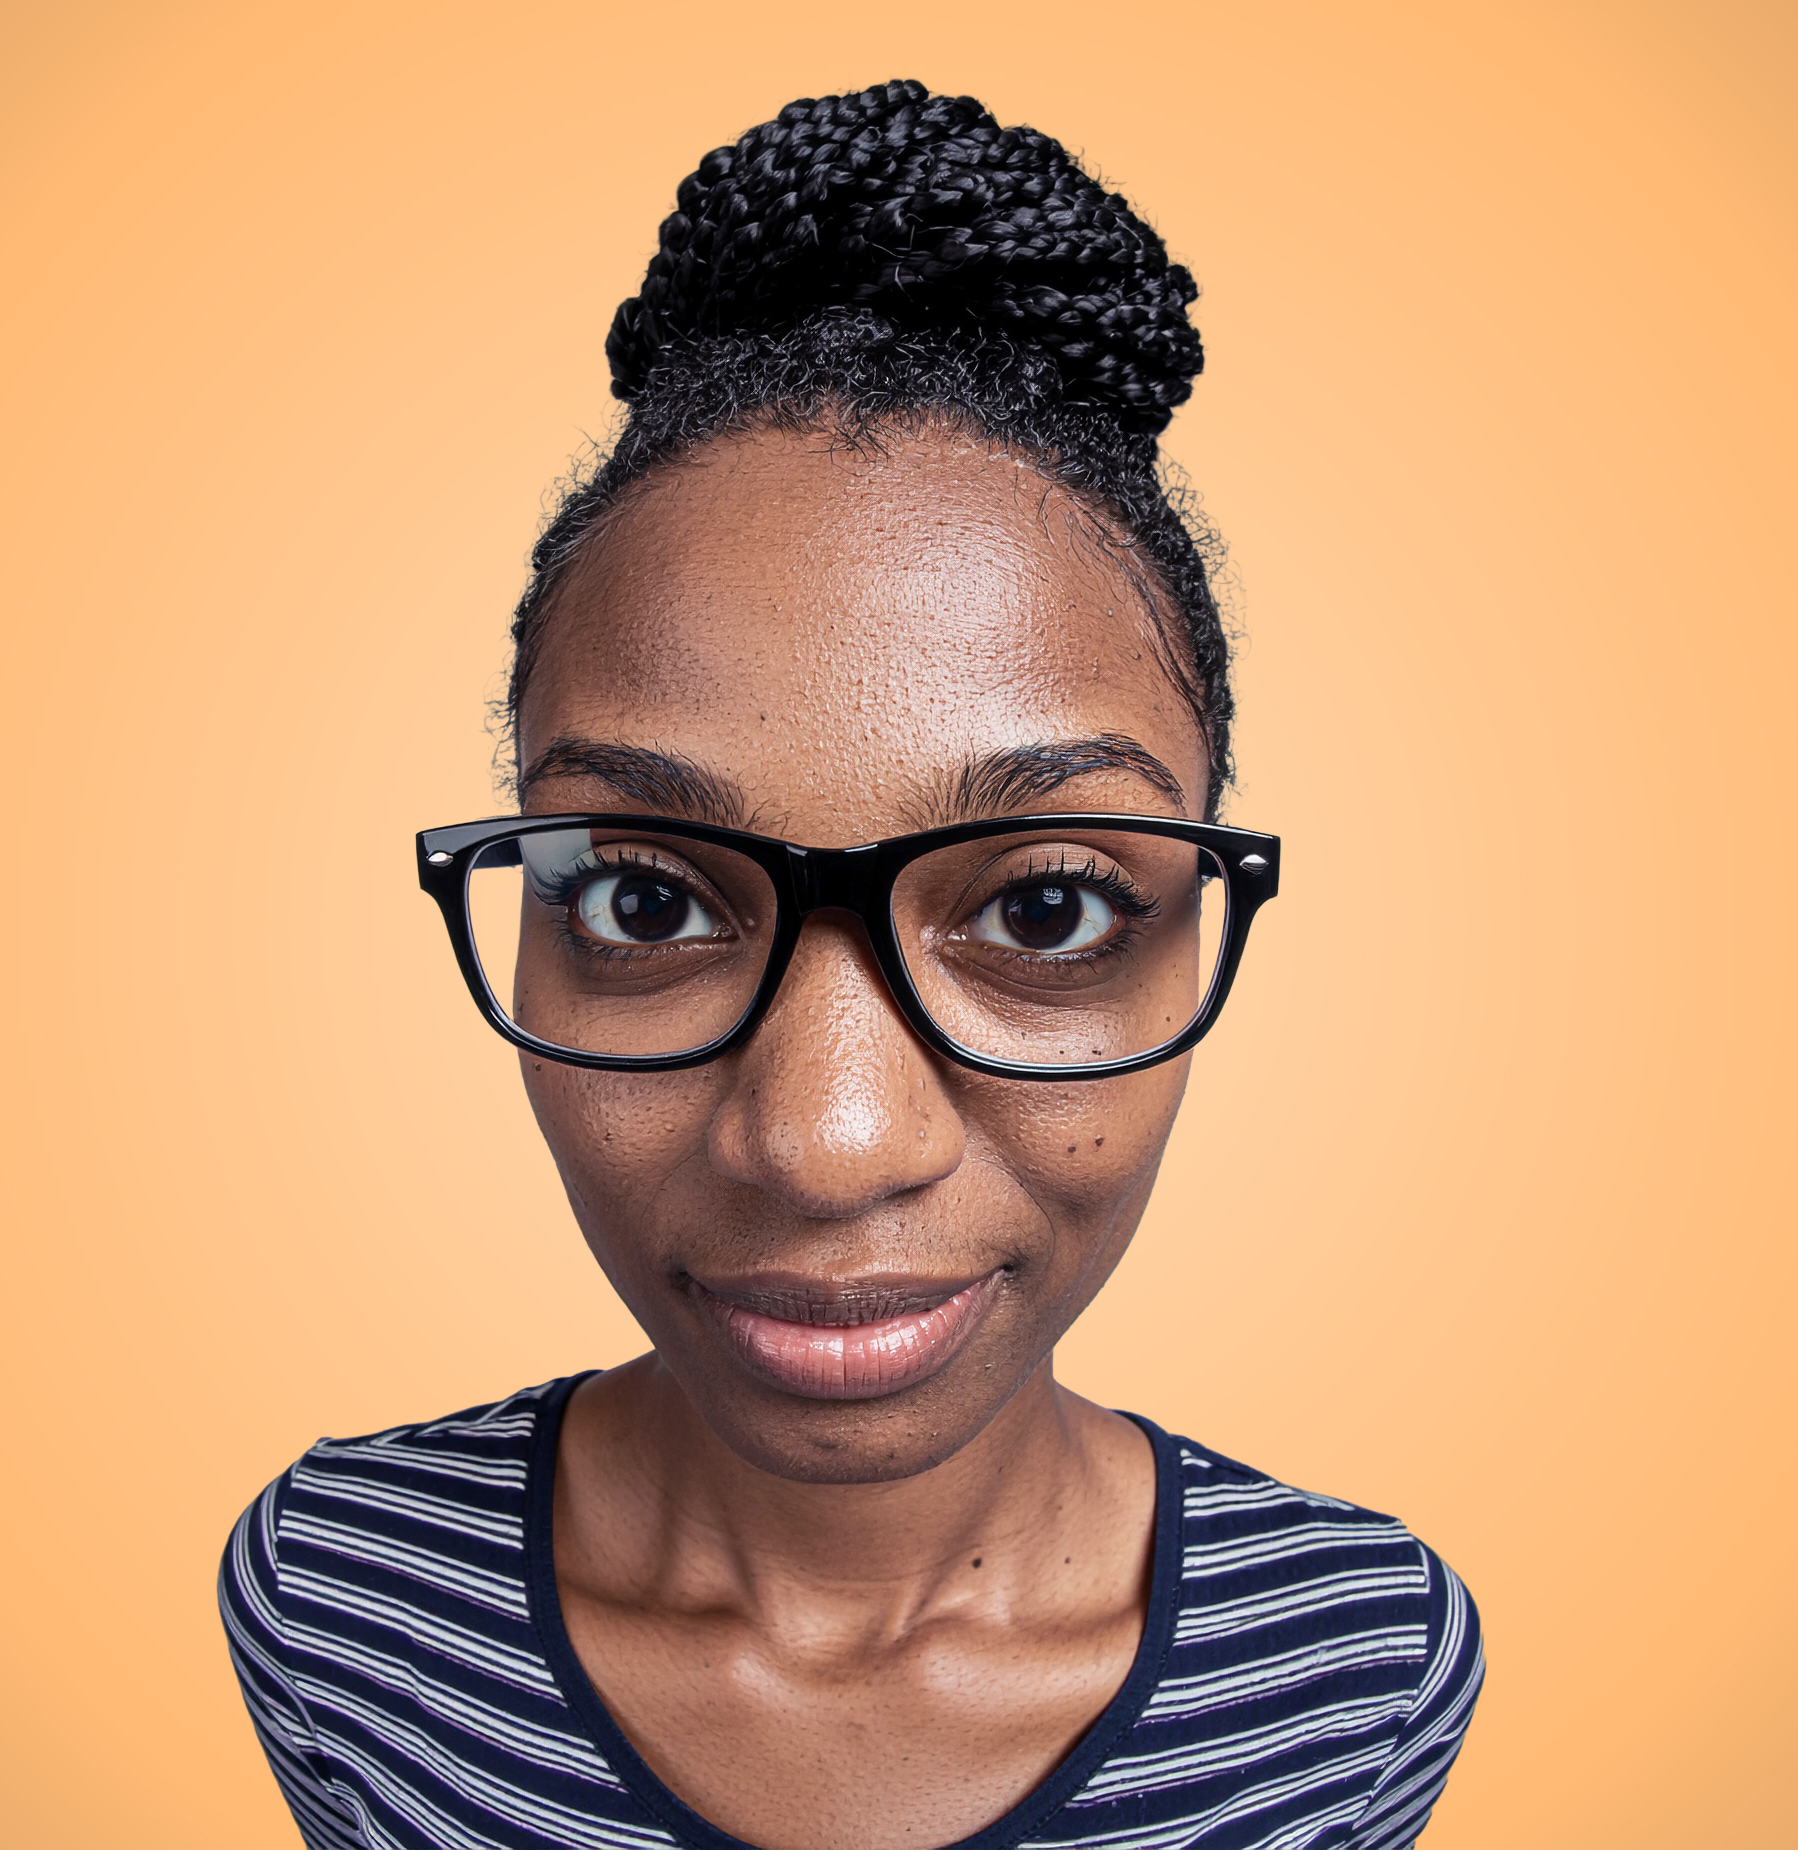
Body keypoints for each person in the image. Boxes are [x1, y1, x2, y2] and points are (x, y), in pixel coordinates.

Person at [220, 79, 1483, 1850]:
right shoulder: (342, 1604)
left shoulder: (1356, 1668)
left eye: (1044, 909)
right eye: (645, 902)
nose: (824, 1140)